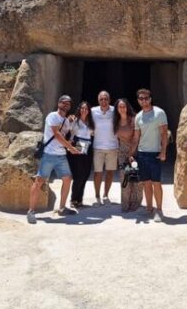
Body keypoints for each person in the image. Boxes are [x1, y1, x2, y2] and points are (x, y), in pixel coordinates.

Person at [27, 95, 82, 224]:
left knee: (67, 179)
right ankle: (31, 211)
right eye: (64, 102)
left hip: (61, 155)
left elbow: (66, 136)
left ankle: (62, 208)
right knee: (39, 181)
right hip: (49, 154)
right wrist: (70, 148)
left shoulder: (66, 121)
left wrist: (73, 145)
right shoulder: (52, 116)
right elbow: (56, 134)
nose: (66, 104)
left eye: (69, 103)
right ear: (59, 103)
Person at [130, 88, 168, 222]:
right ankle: (149, 208)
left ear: (150, 99)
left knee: (156, 183)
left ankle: (159, 210)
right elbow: (136, 137)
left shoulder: (159, 113)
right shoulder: (138, 116)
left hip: (155, 153)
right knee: (146, 183)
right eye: (141, 99)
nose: (144, 101)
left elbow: (164, 134)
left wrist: (163, 152)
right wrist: (131, 153)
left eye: (146, 98)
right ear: (138, 101)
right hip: (142, 154)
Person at [91, 90, 119, 206]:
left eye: (106, 99)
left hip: (112, 147)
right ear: (98, 100)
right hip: (98, 147)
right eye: (101, 99)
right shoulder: (93, 111)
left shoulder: (115, 110)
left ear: (109, 100)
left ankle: (106, 194)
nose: (104, 101)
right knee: (97, 173)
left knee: (110, 172)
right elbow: (83, 120)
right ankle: (97, 195)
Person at [113, 98, 141, 212]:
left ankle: (135, 203)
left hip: (134, 151)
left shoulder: (133, 119)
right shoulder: (116, 121)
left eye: (123, 106)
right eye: (119, 107)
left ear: (127, 107)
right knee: (124, 177)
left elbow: (136, 138)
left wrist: (131, 154)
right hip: (122, 152)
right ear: (117, 109)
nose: (122, 109)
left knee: (135, 178)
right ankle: (125, 204)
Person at [67, 100, 94, 209]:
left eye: (86, 108)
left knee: (85, 174)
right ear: (79, 109)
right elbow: (67, 131)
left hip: (88, 147)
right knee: (78, 175)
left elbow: (92, 134)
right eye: (82, 108)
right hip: (77, 145)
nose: (84, 110)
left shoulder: (91, 122)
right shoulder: (74, 120)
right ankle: (74, 199)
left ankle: (79, 199)